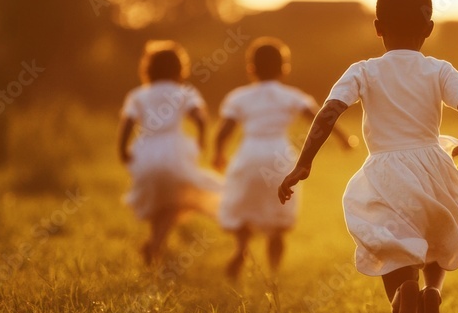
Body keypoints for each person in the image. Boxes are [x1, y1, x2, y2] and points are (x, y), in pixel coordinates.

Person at [278, 0, 458, 313]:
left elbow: (328, 114)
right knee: (438, 240)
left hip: (386, 171)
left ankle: (403, 292)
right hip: (434, 165)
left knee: (392, 244)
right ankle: (432, 293)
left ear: (378, 28)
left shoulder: (362, 70)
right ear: (429, 29)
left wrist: (303, 164)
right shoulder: (440, 69)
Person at [213, 37, 356, 279]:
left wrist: (218, 152)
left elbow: (224, 130)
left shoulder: (239, 97)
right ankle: (274, 272)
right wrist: (344, 139)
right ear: (285, 68)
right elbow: (319, 118)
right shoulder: (292, 96)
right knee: (277, 220)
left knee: (245, 208)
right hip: (278, 158)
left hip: (248, 156)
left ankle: (241, 249)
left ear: (251, 68)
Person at [118, 40, 223, 264]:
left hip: (145, 152)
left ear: (148, 68)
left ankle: (154, 244)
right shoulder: (185, 92)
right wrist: (202, 139)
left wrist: (122, 150)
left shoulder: (138, 94)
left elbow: (127, 123)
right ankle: (155, 245)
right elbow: (200, 117)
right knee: (174, 200)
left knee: (161, 199)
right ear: (179, 68)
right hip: (173, 152)